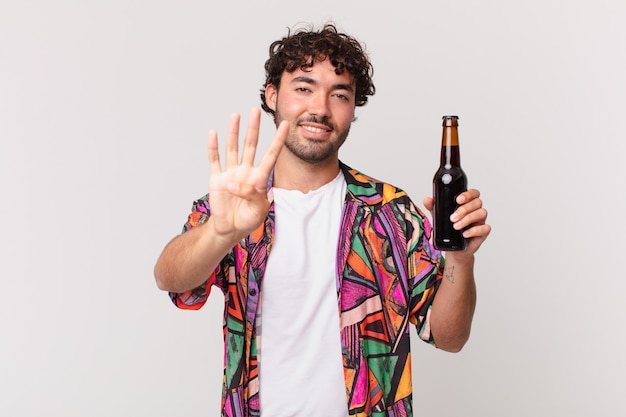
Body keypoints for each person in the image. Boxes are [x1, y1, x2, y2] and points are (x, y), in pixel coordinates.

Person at [154, 23, 491, 417]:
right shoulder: (233, 203)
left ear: (353, 108)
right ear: (273, 95)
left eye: (340, 95)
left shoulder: (389, 212)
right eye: (304, 87)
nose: (320, 108)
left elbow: (450, 337)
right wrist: (221, 232)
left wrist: (460, 260)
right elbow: (170, 279)